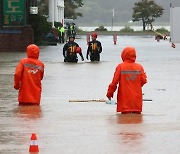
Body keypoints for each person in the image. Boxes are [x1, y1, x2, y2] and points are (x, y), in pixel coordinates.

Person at [106, 46, 147, 114]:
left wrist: (109, 93)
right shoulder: (139, 67)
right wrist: (135, 85)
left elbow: (114, 82)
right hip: (136, 100)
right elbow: (144, 81)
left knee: (124, 121)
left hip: (124, 100)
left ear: (123, 55)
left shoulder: (120, 67)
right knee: (137, 122)